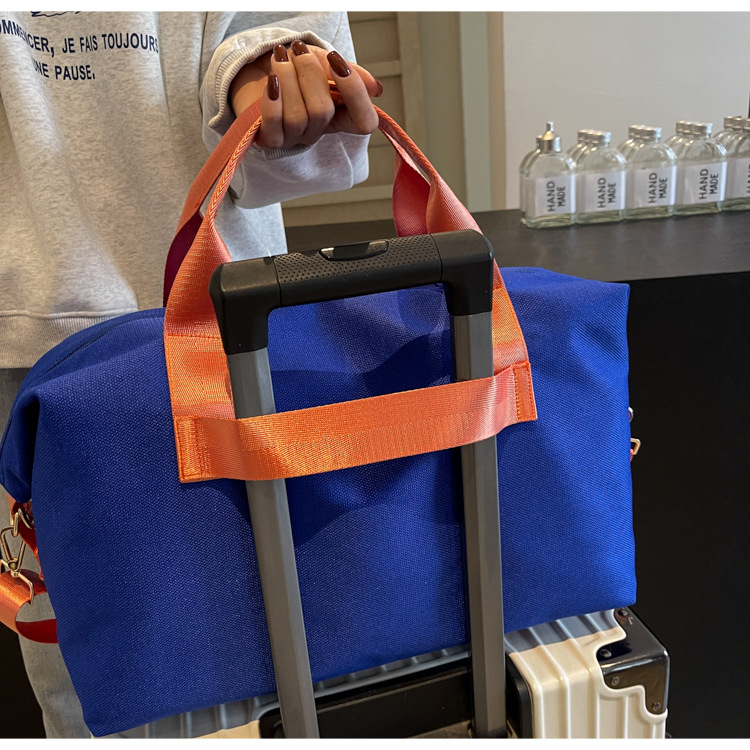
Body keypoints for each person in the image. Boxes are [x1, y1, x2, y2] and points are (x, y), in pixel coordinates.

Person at [0, 10, 380, 738]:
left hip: (232, 325)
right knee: (97, 679)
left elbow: (295, 70)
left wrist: (263, 71)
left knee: (283, 640)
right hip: (32, 329)